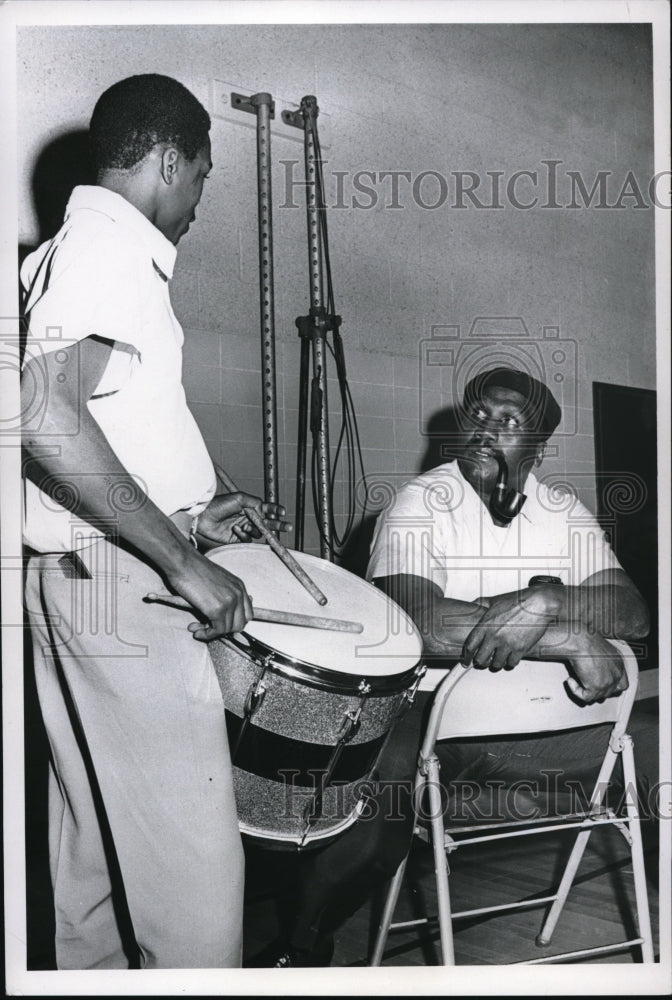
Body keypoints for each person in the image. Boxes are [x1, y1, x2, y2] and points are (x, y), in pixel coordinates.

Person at [250, 365, 654, 967]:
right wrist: (565, 634)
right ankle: (300, 949)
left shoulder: (561, 508)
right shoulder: (423, 502)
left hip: (549, 725)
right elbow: (415, 622)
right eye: (479, 416)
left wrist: (543, 603)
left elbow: (633, 611)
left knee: (655, 759)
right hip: (437, 718)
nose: (487, 429)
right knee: (370, 819)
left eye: (509, 421)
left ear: (537, 448)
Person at [21, 73, 287, 970]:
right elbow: (48, 418)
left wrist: (197, 506)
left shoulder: (73, 247)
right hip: (127, 589)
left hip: (82, 577)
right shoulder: (108, 249)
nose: (199, 202)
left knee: (97, 853)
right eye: (203, 177)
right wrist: (183, 560)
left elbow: (100, 416)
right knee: (197, 888)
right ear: (170, 160)